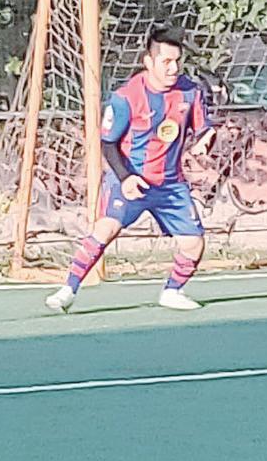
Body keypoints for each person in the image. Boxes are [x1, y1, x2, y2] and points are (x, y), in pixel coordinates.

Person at [45, 25, 213, 313]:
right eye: (166, 62)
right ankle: (67, 290)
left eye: (177, 61)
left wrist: (205, 140)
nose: (173, 69)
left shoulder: (189, 92)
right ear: (149, 62)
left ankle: (172, 291)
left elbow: (203, 128)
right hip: (131, 178)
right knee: (105, 229)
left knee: (194, 243)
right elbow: (108, 143)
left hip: (170, 184)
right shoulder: (126, 97)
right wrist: (125, 178)